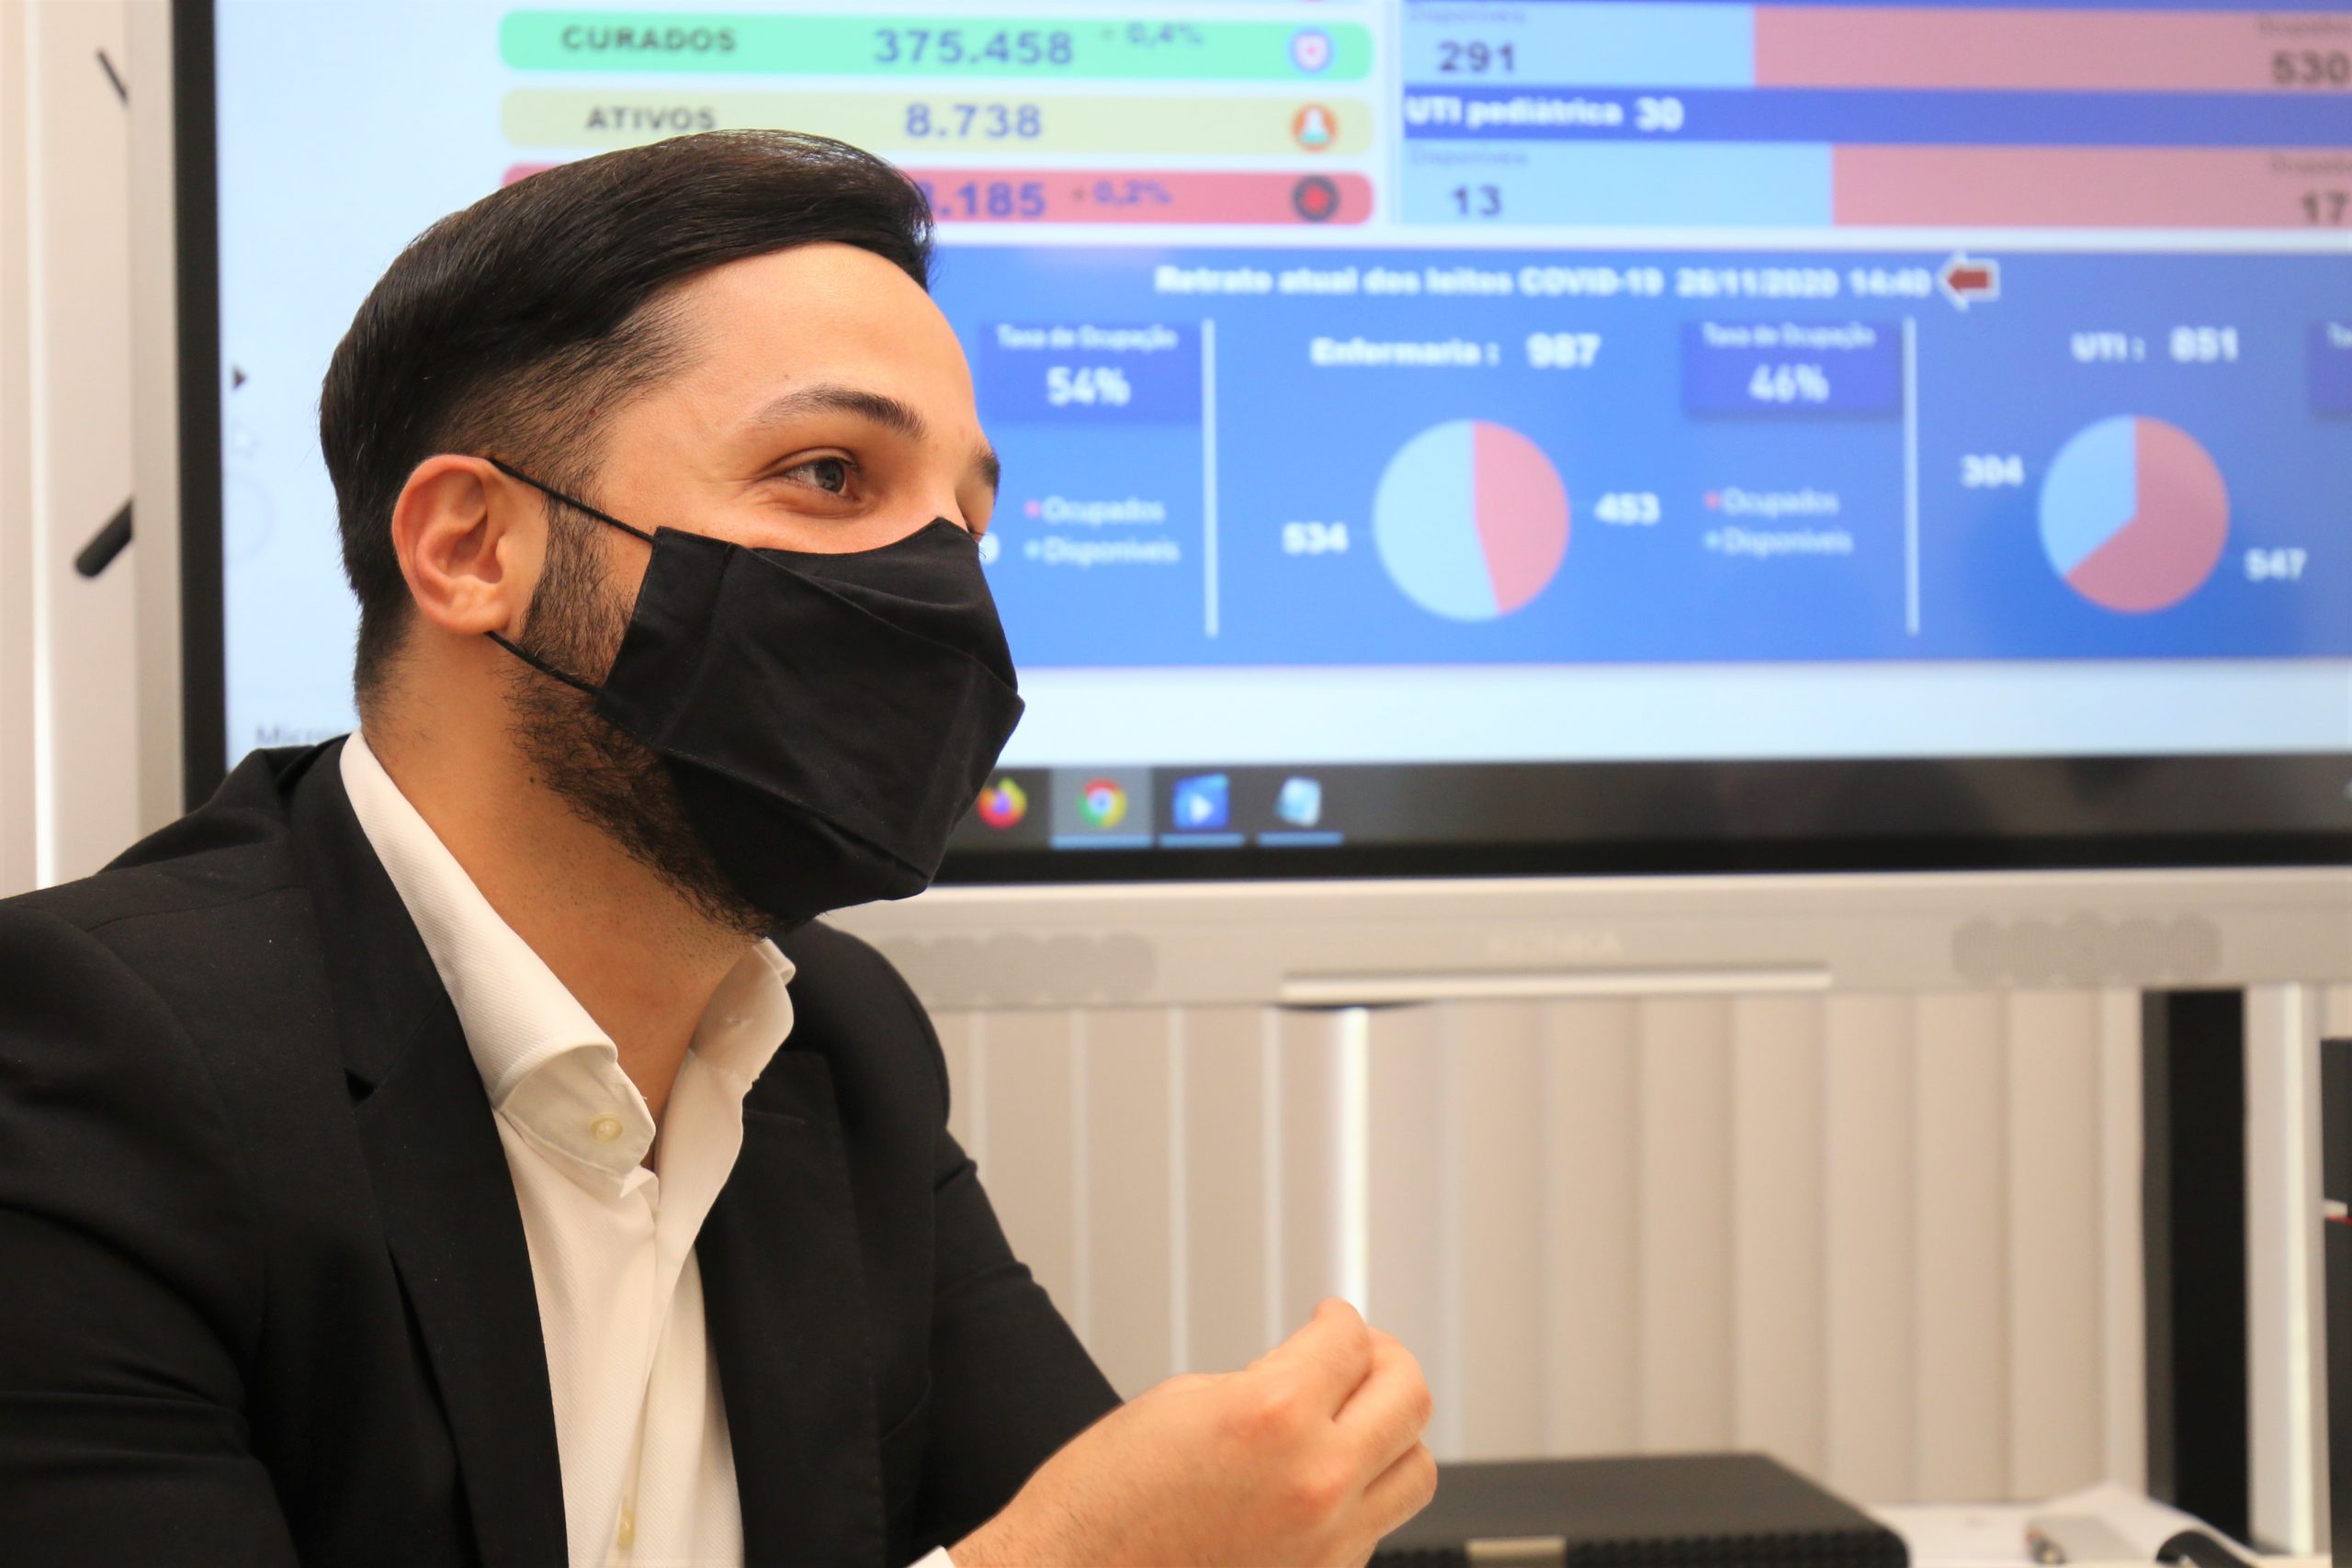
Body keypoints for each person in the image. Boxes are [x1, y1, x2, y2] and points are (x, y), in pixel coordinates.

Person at [0, 130, 1434, 1566]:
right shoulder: (90, 1061)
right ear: (472, 547)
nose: (941, 589)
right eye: (830, 473)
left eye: (967, 522)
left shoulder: (840, 1047)